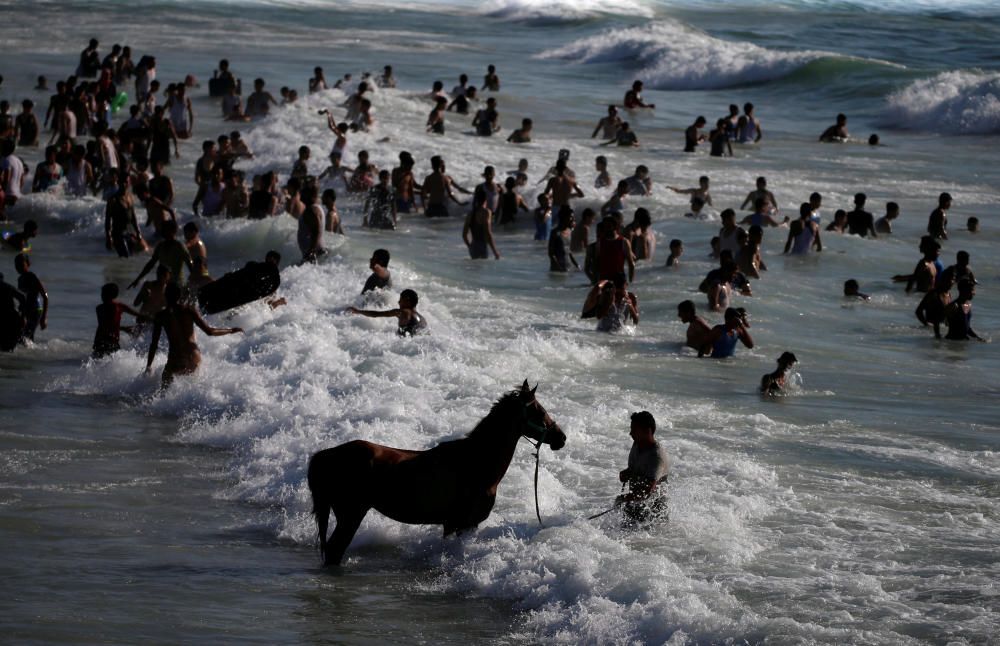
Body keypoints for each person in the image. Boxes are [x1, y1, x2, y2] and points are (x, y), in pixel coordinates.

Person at [146, 282, 243, 388]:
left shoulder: (160, 316)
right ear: (179, 295)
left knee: (163, 392)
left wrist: (149, 366)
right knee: (194, 388)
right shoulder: (189, 310)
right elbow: (210, 332)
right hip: (192, 355)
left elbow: (154, 344)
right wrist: (230, 330)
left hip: (175, 357)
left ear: (165, 295)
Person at [614, 411, 668, 526]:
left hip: (653, 516)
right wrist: (626, 473)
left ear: (646, 431)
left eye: (634, 429)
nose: (630, 433)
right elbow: (635, 469)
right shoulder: (637, 444)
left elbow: (648, 491)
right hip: (635, 506)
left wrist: (623, 499)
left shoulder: (657, 456)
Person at [129, 220, 192, 288]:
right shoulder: (160, 246)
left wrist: (191, 285)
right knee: (146, 287)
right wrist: (138, 279)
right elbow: (151, 264)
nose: (162, 231)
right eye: (162, 229)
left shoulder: (179, 246)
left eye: (165, 229)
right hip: (163, 283)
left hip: (176, 284)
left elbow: (190, 266)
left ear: (173, 231)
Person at [92, 283, 145, 358]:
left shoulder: (100, 308)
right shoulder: (117, 307)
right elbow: (106, 326)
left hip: (101, 341)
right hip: (108, 341)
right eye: (102, 294)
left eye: (104, 294)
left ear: (111, 295)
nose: (102, 296)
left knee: (98, 363)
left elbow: (105, 326)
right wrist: (125, 329)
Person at [348, 289, 426, 337]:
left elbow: (377, 314)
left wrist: (358, 311)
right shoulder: (423, 319)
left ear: (408, 301)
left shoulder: (404, 312)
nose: (398, 302)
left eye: (401, 300)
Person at [105, 174, 146, 257]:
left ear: (129, 183)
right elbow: (108, 220)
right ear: (118, 182)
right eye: (121, 182)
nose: (124, 184)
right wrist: (108, 237)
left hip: (129, 232)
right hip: (118, 234)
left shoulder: (129, 197)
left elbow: (133, 216)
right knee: (125, 256)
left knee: (130, 258)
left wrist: (138, 232)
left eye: (126, 182)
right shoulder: (113, 200)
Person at [14, 253, 48, 343]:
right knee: (27, 338)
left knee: (23, 338)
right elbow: (22, 299)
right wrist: (22, 315)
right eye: (16, 265)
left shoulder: (32, 276)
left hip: (36, 310)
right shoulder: (20, 279)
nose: (18, 267)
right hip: (27, 311)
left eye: (21, 264)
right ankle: (32, 355)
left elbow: (45, 296)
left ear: (28, 264)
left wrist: (44, 318)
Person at [463, 192, 500, 260]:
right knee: (483, 268)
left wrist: (470, 246)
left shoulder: (470, 214)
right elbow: (488, 233)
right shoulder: (486, 212)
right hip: (482, 246)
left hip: (473, 246)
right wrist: (495, 252)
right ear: (485, 200)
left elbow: (464, 235)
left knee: (474, 268)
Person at [0, 270, 27, 352]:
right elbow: (23, 297)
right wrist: (22, 316)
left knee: (7, 349)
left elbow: (23, 297)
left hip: (11, 321)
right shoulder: (7, 286)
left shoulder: (6, 287)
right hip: (13, 320)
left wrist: (22, 317)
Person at [298, 184, 325, 262]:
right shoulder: (315, 208)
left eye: (303, 193)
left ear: (308, 195)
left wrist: (311, 251)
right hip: (314, 252)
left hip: (313, 254)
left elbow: (316, 231)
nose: (301, 194)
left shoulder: (311, 211)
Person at [548, 207, 578, 272]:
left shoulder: (569, 231)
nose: (573, 219)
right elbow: (551, 254)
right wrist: (559, 268)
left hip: (568, 267)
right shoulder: (555, 233)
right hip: (558, 270)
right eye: (571, 217)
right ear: (563, 217)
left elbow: (568, 251)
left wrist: (577, 265)